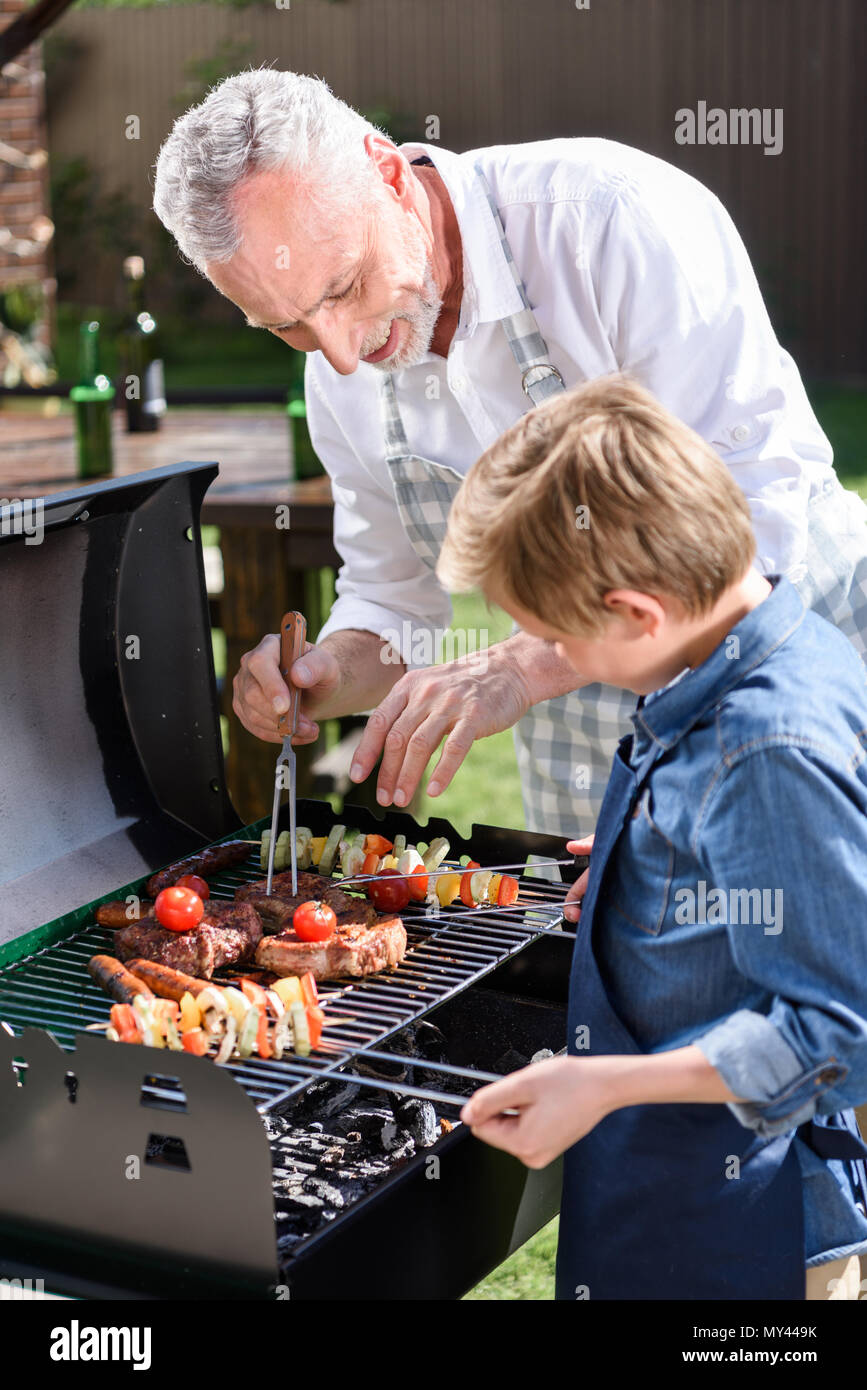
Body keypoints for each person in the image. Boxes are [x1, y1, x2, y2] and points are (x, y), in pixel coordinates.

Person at [152, 69, 867, 835]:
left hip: (791, 665)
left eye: (346, 285)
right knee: (597, 952)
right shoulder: (339, 372)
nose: (340, 352)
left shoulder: (612, 218)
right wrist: (327, 674)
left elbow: (745, 519)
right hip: (581, 734)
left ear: (390, 175)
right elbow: (395, 603)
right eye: (286, 325)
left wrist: (525, 663)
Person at [437, 372, 867, 1302]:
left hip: (746, 1240)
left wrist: (602, 1088)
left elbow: (842, 1033)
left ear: (636, 613)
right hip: (667, 1199)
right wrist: (655, 872)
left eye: (548, 637)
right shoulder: (740, 640)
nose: (545, 658)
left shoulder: (768, 745)